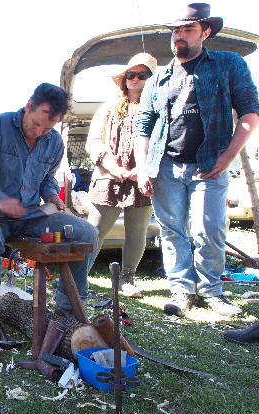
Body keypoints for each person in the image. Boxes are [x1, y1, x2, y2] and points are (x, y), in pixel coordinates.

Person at [134, 3, 259, 317]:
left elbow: (249, 111)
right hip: (164, 165)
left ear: (206, 31)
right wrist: (142, 167)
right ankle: (181, 290)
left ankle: (211, 291)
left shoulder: (229, 64)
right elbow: (143, 126)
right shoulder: (157, 80)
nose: (179, 36)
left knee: (209, 228)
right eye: (175, 30)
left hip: (209, 164)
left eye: (187, 29)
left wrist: (228, 156)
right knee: (172, 230)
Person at [0, 83, 98, 345]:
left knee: (86, 231)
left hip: (32, 216)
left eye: (47, 127)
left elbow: (46, 178)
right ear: (28, 105)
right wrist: (2, 201)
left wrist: (53, 196)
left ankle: (67, 309)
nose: (39, 131)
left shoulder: (54, 141)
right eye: (35, 124)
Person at [85, 53, 157, 298]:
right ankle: (78, 276)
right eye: (131, 74)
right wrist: (113, 167)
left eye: (142, 75)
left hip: (143, 178)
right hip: (107, 177)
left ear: (151, 79)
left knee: (137, 229)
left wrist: (144, 168)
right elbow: (93, 142)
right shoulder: (107, 108)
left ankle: (127, 279)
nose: (135, 79)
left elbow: (162, 142)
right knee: (94, 230)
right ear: (124, 79)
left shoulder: (158, 109)